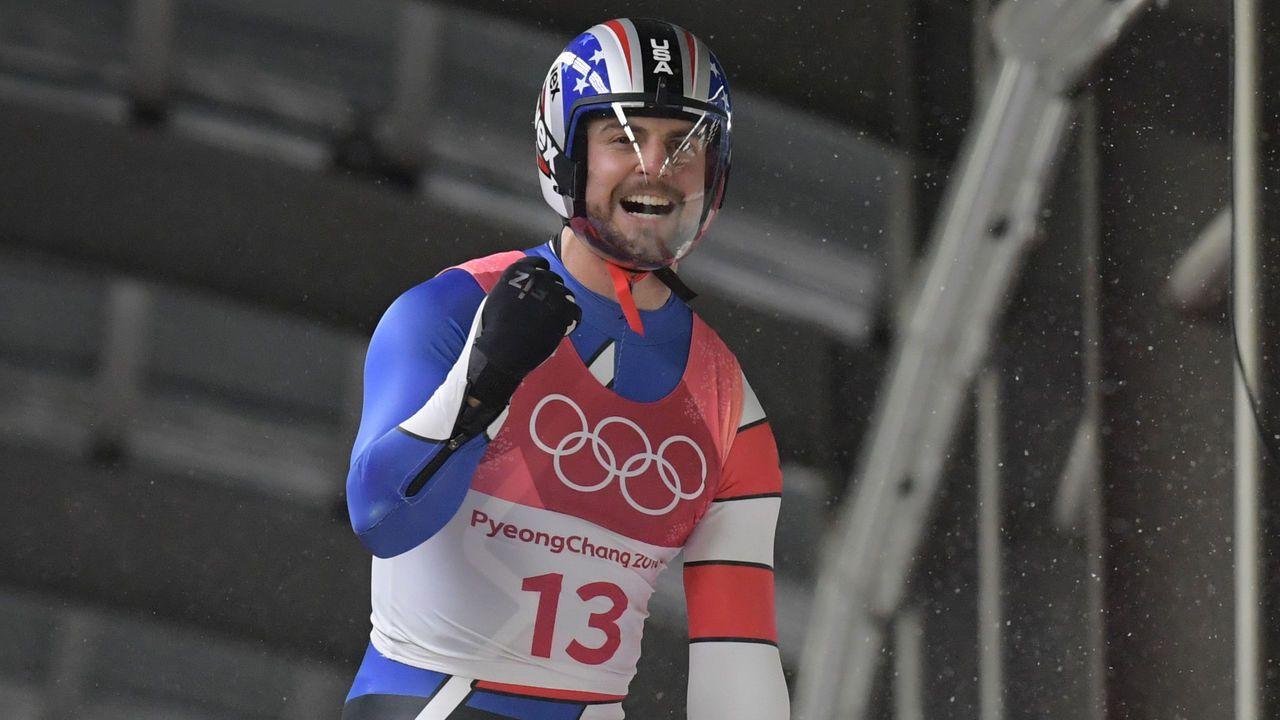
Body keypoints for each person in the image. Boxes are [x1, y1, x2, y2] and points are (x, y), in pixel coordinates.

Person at [343, 18, 789, 720]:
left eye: (684, 146)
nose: (657, 167)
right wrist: (479, 384)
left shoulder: (730, 402)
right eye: (624, 139)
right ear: (564, 154)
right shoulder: (453, 311)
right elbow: (379, 517)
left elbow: (739, 650)